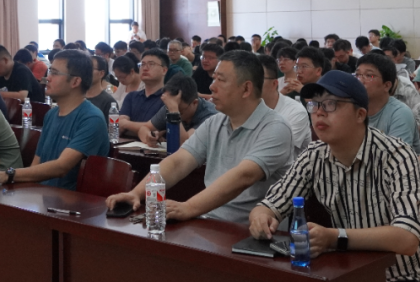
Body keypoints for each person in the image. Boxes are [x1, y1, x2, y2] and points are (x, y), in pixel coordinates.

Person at [251, 70, 420, 282]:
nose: (319, 112)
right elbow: (269, 205)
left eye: (331, 105)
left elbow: (406, 239)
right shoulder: (314, 155)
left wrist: (334, 237)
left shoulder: (396, 156)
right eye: (314, 105)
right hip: (348, 274)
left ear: (360, 114)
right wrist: (261, 218)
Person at [107, 51, 293, 224]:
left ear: (246, 89)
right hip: (210, 221)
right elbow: (178, 162)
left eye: (220, 80)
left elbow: (243, 176)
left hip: (251, 229)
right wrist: (137, 193)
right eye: (214, 78)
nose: (212, 86)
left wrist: (188, 207)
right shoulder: (215, 123)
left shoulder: (275, 128)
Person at [0, 50, 108, 190]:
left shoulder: (91, 119)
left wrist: (7, 174)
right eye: (50, 72)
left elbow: (61, 167)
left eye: (55, 73)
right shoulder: (51, 114)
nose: (47, 78)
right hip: (43, 194)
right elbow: (36, 163)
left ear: (75, 81)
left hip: (73, 199)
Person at [355, 54, 420, 153]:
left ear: (387, 86)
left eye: (369, 76)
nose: (360, 80)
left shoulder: (400, 113)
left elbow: (396, 157)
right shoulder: (351, 108)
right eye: (357, 75)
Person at [136, 75, 218, 147]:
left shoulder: (211, 115)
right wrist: (149, 137)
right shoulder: (171, 105)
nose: (172, 109)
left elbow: (186, 145)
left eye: (180, 111)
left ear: (194, 103)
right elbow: (144, 128)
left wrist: (174, 111)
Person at [256, 54, 310, 157]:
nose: (250, 85)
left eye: (258, 80)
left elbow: (275, 151)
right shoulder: (245, 108)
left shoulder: (295, 112)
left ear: (274, 84)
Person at [118, 48, 168, 136]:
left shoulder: (168, 98)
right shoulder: (131, 96)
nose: (145, 68)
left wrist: (127, 125)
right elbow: (120, 126)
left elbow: (159, 130)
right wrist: (146, 130)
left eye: (151, 64)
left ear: (164, 70)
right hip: (126, 144)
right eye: (142, 64)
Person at [84, 55, 116, 120]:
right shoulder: (77, 96)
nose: (85, 71)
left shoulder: (108, 101)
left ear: (101, 73)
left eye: (90, 68)